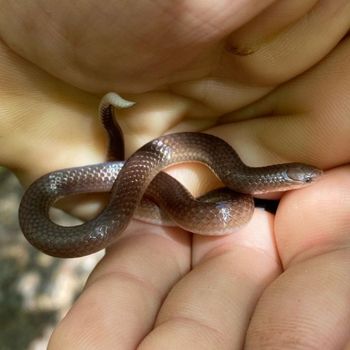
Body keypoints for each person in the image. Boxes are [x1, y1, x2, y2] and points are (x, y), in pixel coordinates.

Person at [1, 1, 349, 349]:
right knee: (133, 193)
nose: (309, 178)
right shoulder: (229, 172)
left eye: (305, 178)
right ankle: (112, 130)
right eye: (305, 178)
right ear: (287, 177)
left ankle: (115, 136)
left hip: (168, 179)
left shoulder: (235, 177)